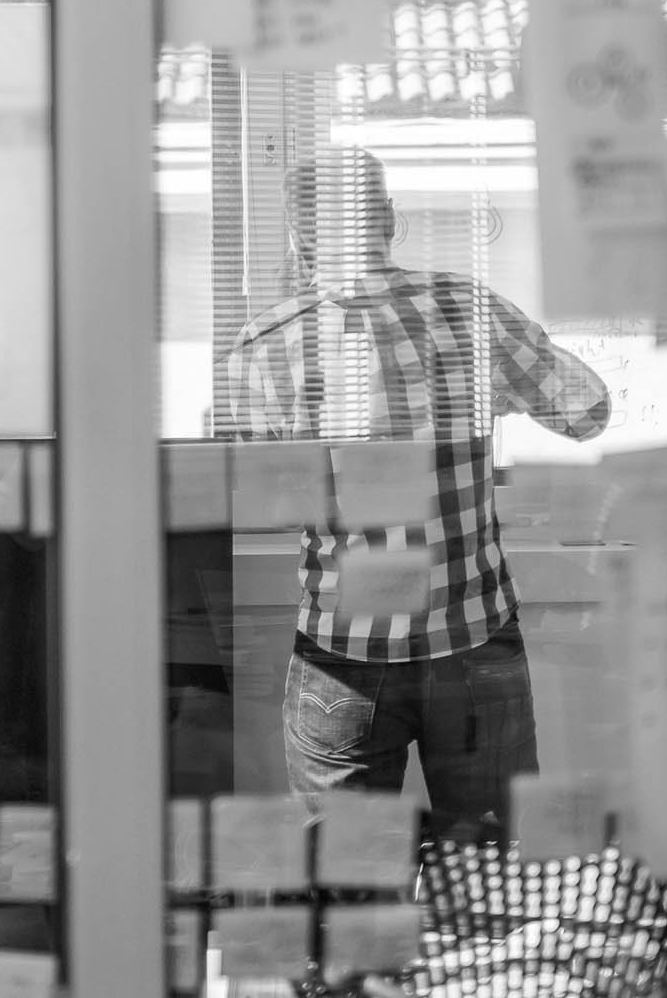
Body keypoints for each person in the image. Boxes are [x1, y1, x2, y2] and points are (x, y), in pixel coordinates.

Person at [219, 148, 611, 828]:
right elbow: (586, 409)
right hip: (473, 636)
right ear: (390, 221)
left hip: (343, 649)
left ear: (300, 238)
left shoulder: (264, 345)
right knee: (491, 874)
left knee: (345, 883)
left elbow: (276, 504)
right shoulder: (467, 308)